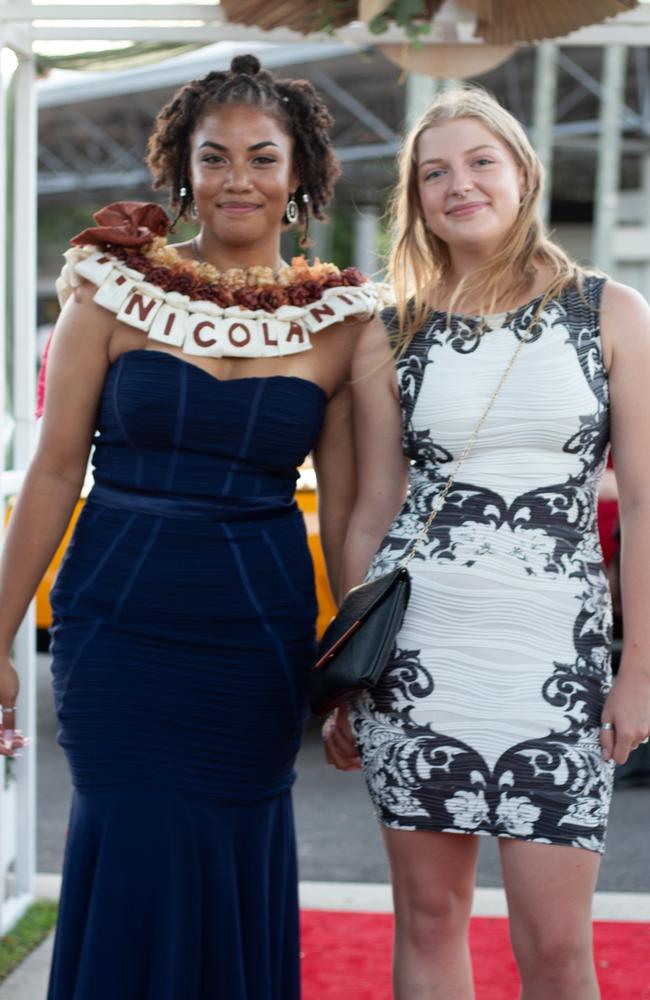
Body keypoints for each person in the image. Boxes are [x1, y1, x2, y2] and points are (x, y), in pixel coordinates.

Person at [0, 54, 375, 1000]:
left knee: (231, 840)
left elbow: (349, 517)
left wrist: (359, 667)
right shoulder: (110, 291)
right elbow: (50, 473)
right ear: (183, 169)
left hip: (254, 634)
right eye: (215, 158)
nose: (236, 179)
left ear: (299, 177)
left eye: (260, 157)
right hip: (116, 622)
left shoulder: (342, 323)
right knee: (126, 835)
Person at [323, 86, 650, 1000]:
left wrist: (641, 672)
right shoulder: (390, 332)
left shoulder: (610, 312)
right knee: (430, 922)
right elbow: (368, 513)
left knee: (556, 947)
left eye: (479, 162)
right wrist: (354, 671)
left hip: (560, 663)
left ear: (522, 173)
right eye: (434, 172)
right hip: (419, 661)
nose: (458, 184)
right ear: (416, 198)